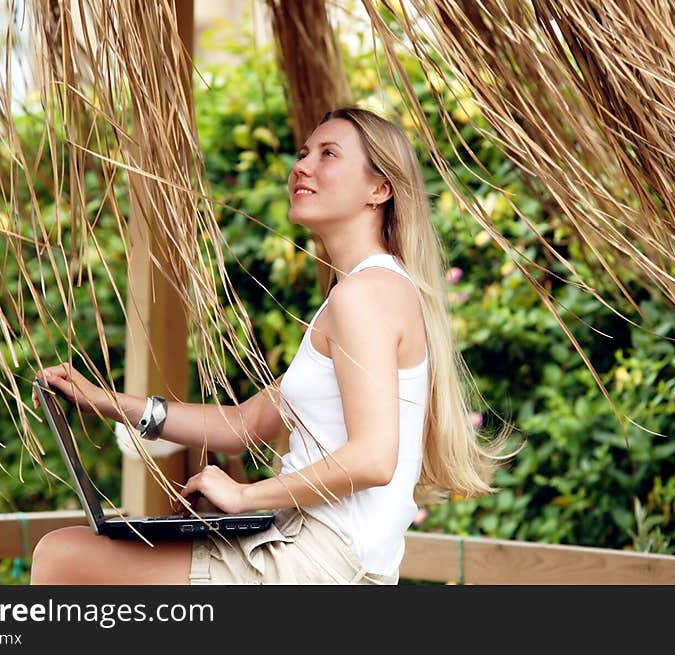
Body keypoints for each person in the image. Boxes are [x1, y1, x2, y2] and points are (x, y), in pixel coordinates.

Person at [29, 106, 510, 585]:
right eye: (304, 153)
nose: (302, 166)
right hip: (321, 557)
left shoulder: (364, 296)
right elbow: (243, 423)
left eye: (328, 154)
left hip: (316, 562)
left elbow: (373, 458)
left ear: (379, 189)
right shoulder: (369, 293)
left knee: (62, 557)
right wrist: (106, 402)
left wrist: (246, 495)